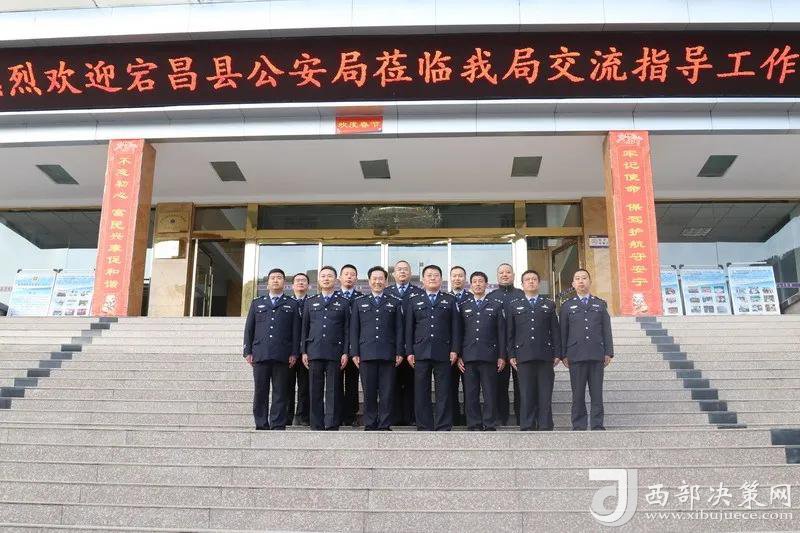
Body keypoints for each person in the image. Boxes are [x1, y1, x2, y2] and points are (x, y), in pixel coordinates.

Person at [242, 268, 300, 430]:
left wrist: (294, 352)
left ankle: (278, 423)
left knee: (280, 391)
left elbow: (296, 331)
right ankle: (261, 423)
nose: (276, 280)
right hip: (260, 354)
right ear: (267, 283)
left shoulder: (292, 304)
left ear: (284, 283)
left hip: (283, 354)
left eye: (279, 278)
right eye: (273, 278)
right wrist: (247, 351)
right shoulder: (257, 303)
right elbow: (249, 329)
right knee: (260, 391)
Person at [406, 264, 461, 431]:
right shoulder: (414, 300)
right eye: (429, 275)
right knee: (421, 391)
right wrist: (409, 351)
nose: (432, 278)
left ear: (441, 279)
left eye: (436, 275)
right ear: (423, 280)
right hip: (420, 351)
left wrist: (455, 349)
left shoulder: (450, 300)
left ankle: (443, 424)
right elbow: (409, 328)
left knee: (443, 390)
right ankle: (424, 425)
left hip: (443, 351)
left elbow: (456, 327)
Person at [506, 269, 561, 431]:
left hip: (545, 355)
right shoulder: (514, 305)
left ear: (538, 283)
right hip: (523, 355)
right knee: (526, 393)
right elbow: (510, 333)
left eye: (534, 279)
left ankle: (545, 425)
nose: (531, 282)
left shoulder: (548, 304)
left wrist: (558, 353)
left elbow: (555, 331)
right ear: (522, 284)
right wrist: (511, 354)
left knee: (545, 393)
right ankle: (527, 424)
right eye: (527, 279)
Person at [350, 266, 404, 431]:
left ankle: (385, 423)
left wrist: (399, 351)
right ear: (369, 281)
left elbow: (399, 329)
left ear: (386, 282)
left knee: (387, 392)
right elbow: (354, 329)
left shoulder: (395, 302)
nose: (377, 281)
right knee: (369, 391)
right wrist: (355, 352)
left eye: (381, 279)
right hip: (366, 353)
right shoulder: (359, 302)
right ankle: (370, 422)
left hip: (388, 353)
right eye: (374, 278)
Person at [560, 269, 614, 431]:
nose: (581, 281)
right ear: (573, 284)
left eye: (584, 278)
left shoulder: (600, 304)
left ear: (590, 282)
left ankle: (597, 424)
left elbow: (606, 330)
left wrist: (608, 352)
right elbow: (563, 332)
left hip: (596, 354)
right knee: (577, 394)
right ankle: (579, 424)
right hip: (575, 355)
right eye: (577, 278)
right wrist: (563, 354)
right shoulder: (567, 306)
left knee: (597, 393)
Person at [301, 266, 350, 431]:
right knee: (314, 389)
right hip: (314, 350)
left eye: (330, 276)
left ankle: (331, 423)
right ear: (319, 280)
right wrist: (304, 351)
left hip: (335, 351)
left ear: (336, 280)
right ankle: (316, 423)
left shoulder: (343, 302)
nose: (326, 279)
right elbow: (304, 328)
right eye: (323, 276)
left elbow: (347, 329)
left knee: (333, 389)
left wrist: (346, 352)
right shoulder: (310, 302)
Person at [457, 271, 505, 431]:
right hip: (469, 356)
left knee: (490, 392)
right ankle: (474, 423)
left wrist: (502, 356)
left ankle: (490, 423)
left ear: (486, 284)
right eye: (475, 281)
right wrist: (459, 355)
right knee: (471, 393)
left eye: (481, 281)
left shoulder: (495, 305)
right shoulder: (464, 305)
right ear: (470, 285)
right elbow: (460, 332)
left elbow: (501, 332)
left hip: (489, 356)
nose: (478, 284)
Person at [385, 260, 424, 426]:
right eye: (399, 269)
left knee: (411, 382)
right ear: (393, 274)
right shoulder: (386, 292)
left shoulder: (419, 293)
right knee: (391, 383)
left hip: (413, 345)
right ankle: (394, 417)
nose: (402, 272)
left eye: (405, 269)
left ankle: (410, 416)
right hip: (390, 345)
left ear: (410, 273)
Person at [486, 262, 524, 426]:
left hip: (520, 347)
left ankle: (522, 417)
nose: (504, 275)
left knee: (522, 385)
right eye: (501, 272)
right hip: (498, 348)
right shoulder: (491, 297)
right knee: (499, 385)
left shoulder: (522, 294)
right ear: (497, 276)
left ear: (513, 275)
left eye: (508, 272)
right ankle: (501, 417)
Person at [335, 264, 363, 427]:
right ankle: (337, 414)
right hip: (337, 345)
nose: (349, 277)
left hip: (356, 346)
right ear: (340, 278)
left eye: (352, 274)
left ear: (356, 279)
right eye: (346, 274)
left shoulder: (361, 298)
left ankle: (351, 415)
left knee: (352, 381)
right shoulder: (334, 297)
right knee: (336, 381)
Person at [287, 272, 311, 426]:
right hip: (288, 351)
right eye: (297, 280)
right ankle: (287, 416)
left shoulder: (313, 302)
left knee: (305, 386)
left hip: (307, 351)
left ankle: (303, 416)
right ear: (292, 285)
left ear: (309, 285)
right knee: (287, 385)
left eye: (303, 281)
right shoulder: (286, 303)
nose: (300, 283)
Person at [448, 265, 470, 426]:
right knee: (450, 387)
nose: (457, 278)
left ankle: (469, 418)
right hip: (449, 351)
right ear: (450, 278)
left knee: (470, 388)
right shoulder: (445, 298)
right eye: (454, 276)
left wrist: (462, 353)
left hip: (469, 351)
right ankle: (453, 418)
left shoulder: (472, 298)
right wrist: (454, 350)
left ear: (465, 278)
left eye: (460, 276)